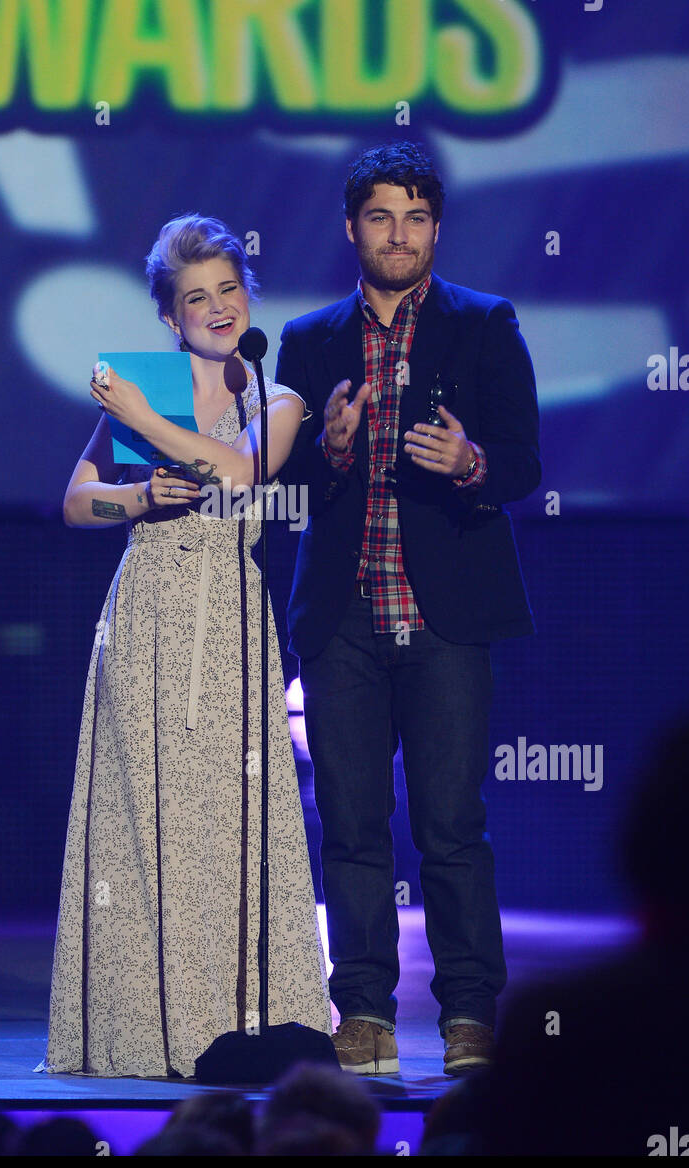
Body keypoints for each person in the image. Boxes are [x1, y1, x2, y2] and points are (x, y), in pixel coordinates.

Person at [35, 214, 331, 1079]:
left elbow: (240, 473)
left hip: (232, 620)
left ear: (248, 296)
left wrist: (141, 422)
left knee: (234, 825)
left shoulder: (276, 396)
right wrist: (134, 501)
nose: (215, 308)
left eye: (228, 290)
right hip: (147, 616)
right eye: (194, 297)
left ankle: (234, 1021)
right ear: (170, 315)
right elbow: (74, 502)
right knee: (147, 821)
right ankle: (144, 1029)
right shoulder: (146, 386)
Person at [275, 142, 541, 1077]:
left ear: (436, 228)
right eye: (381, 216)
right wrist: (331, 450)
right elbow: (285, 483)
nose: (399, 234)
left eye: (416, 217)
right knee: (349, 823)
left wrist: (471, 464)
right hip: (342, 615)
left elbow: (522, 462)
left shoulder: (483, 323)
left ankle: (469, 1013)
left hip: (446, 617)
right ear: (352, 228)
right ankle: (363, 1013)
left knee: (449, 823)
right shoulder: (308, 341)